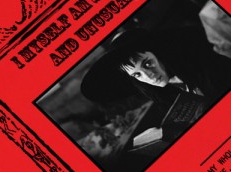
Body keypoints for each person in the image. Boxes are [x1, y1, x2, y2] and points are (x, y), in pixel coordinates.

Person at [80, 27, 231, 114]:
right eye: (137, 74)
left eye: (147, 64)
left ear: (159, 55)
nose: (149, 76)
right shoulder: (163, 95)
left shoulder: (206, 67)